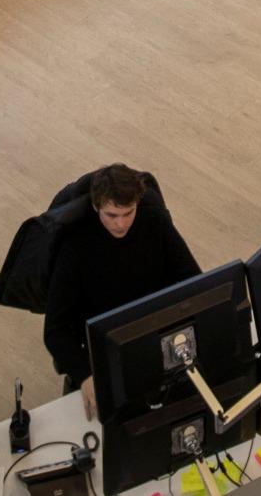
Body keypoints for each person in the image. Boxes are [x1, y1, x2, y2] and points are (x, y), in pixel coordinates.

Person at [44, 164, 201, 405]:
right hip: (103, 348)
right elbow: (55, 329)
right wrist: (85, 376)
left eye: (128, 213)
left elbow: (191, 279)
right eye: (112, 215)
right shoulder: (74, 246)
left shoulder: (154, 220)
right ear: (96, 207)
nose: (121, 224)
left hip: (155, 334)